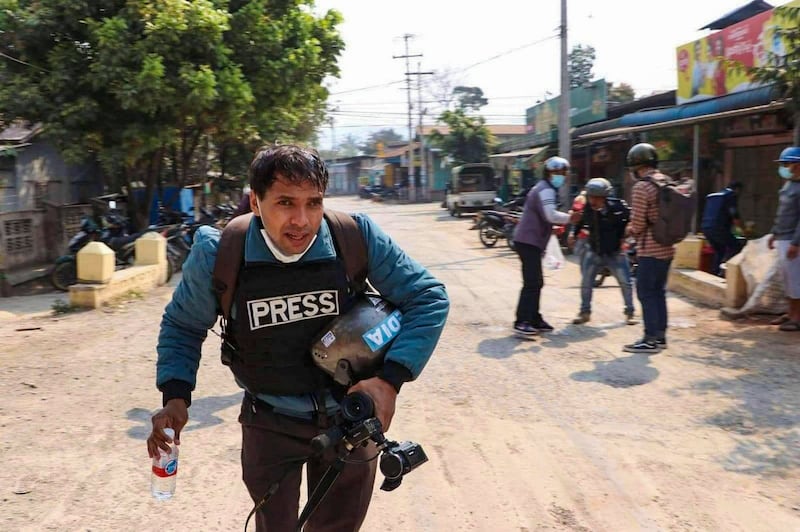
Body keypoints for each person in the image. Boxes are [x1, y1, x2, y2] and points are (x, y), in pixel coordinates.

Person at [146, 144, 450, 531]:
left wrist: (389, 381)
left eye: (314, 203)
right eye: (285, 202)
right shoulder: (221, 253)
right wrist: (175, 396)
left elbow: (428, 297)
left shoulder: (353, 238)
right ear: (255, 202)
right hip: (268, 421)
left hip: (351, 422)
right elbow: (183, 325)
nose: (302, 221)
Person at [512, 156, 581, 338]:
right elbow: (550, 215)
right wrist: (570, 218)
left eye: (563, 173)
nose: (561, 176)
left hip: (529, 240)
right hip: (528, 241)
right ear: (548, 173)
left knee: (536, 282)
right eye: (557, 172)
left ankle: (534, 318)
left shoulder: (544, 187)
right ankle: (522, 321)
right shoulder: (546, 189)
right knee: (532, 283)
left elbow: (544, 216)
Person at [623, 143, 675, 353]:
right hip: (667, 248)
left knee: (645, 293)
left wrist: (628, 230)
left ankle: (649, 339)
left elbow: (637, 225)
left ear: (636, 165)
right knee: (658, 292)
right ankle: (660, 337)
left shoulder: (641, 187)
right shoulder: (666, 181)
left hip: (650, 249)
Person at [570, 178, 635, 325]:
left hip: (615, 252)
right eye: (591, 197)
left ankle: (630, 312)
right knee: (586, 283)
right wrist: (573, 234)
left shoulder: (619, 207)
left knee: (625, 282)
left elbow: (631, 219)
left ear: (604, 197)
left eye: (596, 198)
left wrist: (628, 232)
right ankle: (584, 312)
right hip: (594, 251)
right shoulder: (586, 209)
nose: (593, 201)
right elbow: (579, 223)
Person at [768, 146, 800, 332]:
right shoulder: (789, 185)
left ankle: (796, 318)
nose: (784, 167)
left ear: (797, 165)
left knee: (795, 280)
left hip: (792, 241)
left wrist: (796, 243)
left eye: (787, 164)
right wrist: (774, 234)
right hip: (783, 238)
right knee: (787, 280)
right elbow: (782, 214)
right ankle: (790, 313)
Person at [700, 181, 744, 277]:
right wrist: (743, 230)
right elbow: (734, 214)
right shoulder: (731, 195)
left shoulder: (713, 196)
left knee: (720, 250)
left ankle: (715, 272)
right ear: (737, 189)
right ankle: (726, 272)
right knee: (736, 247)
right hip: (719, 228)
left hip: (706, 227)